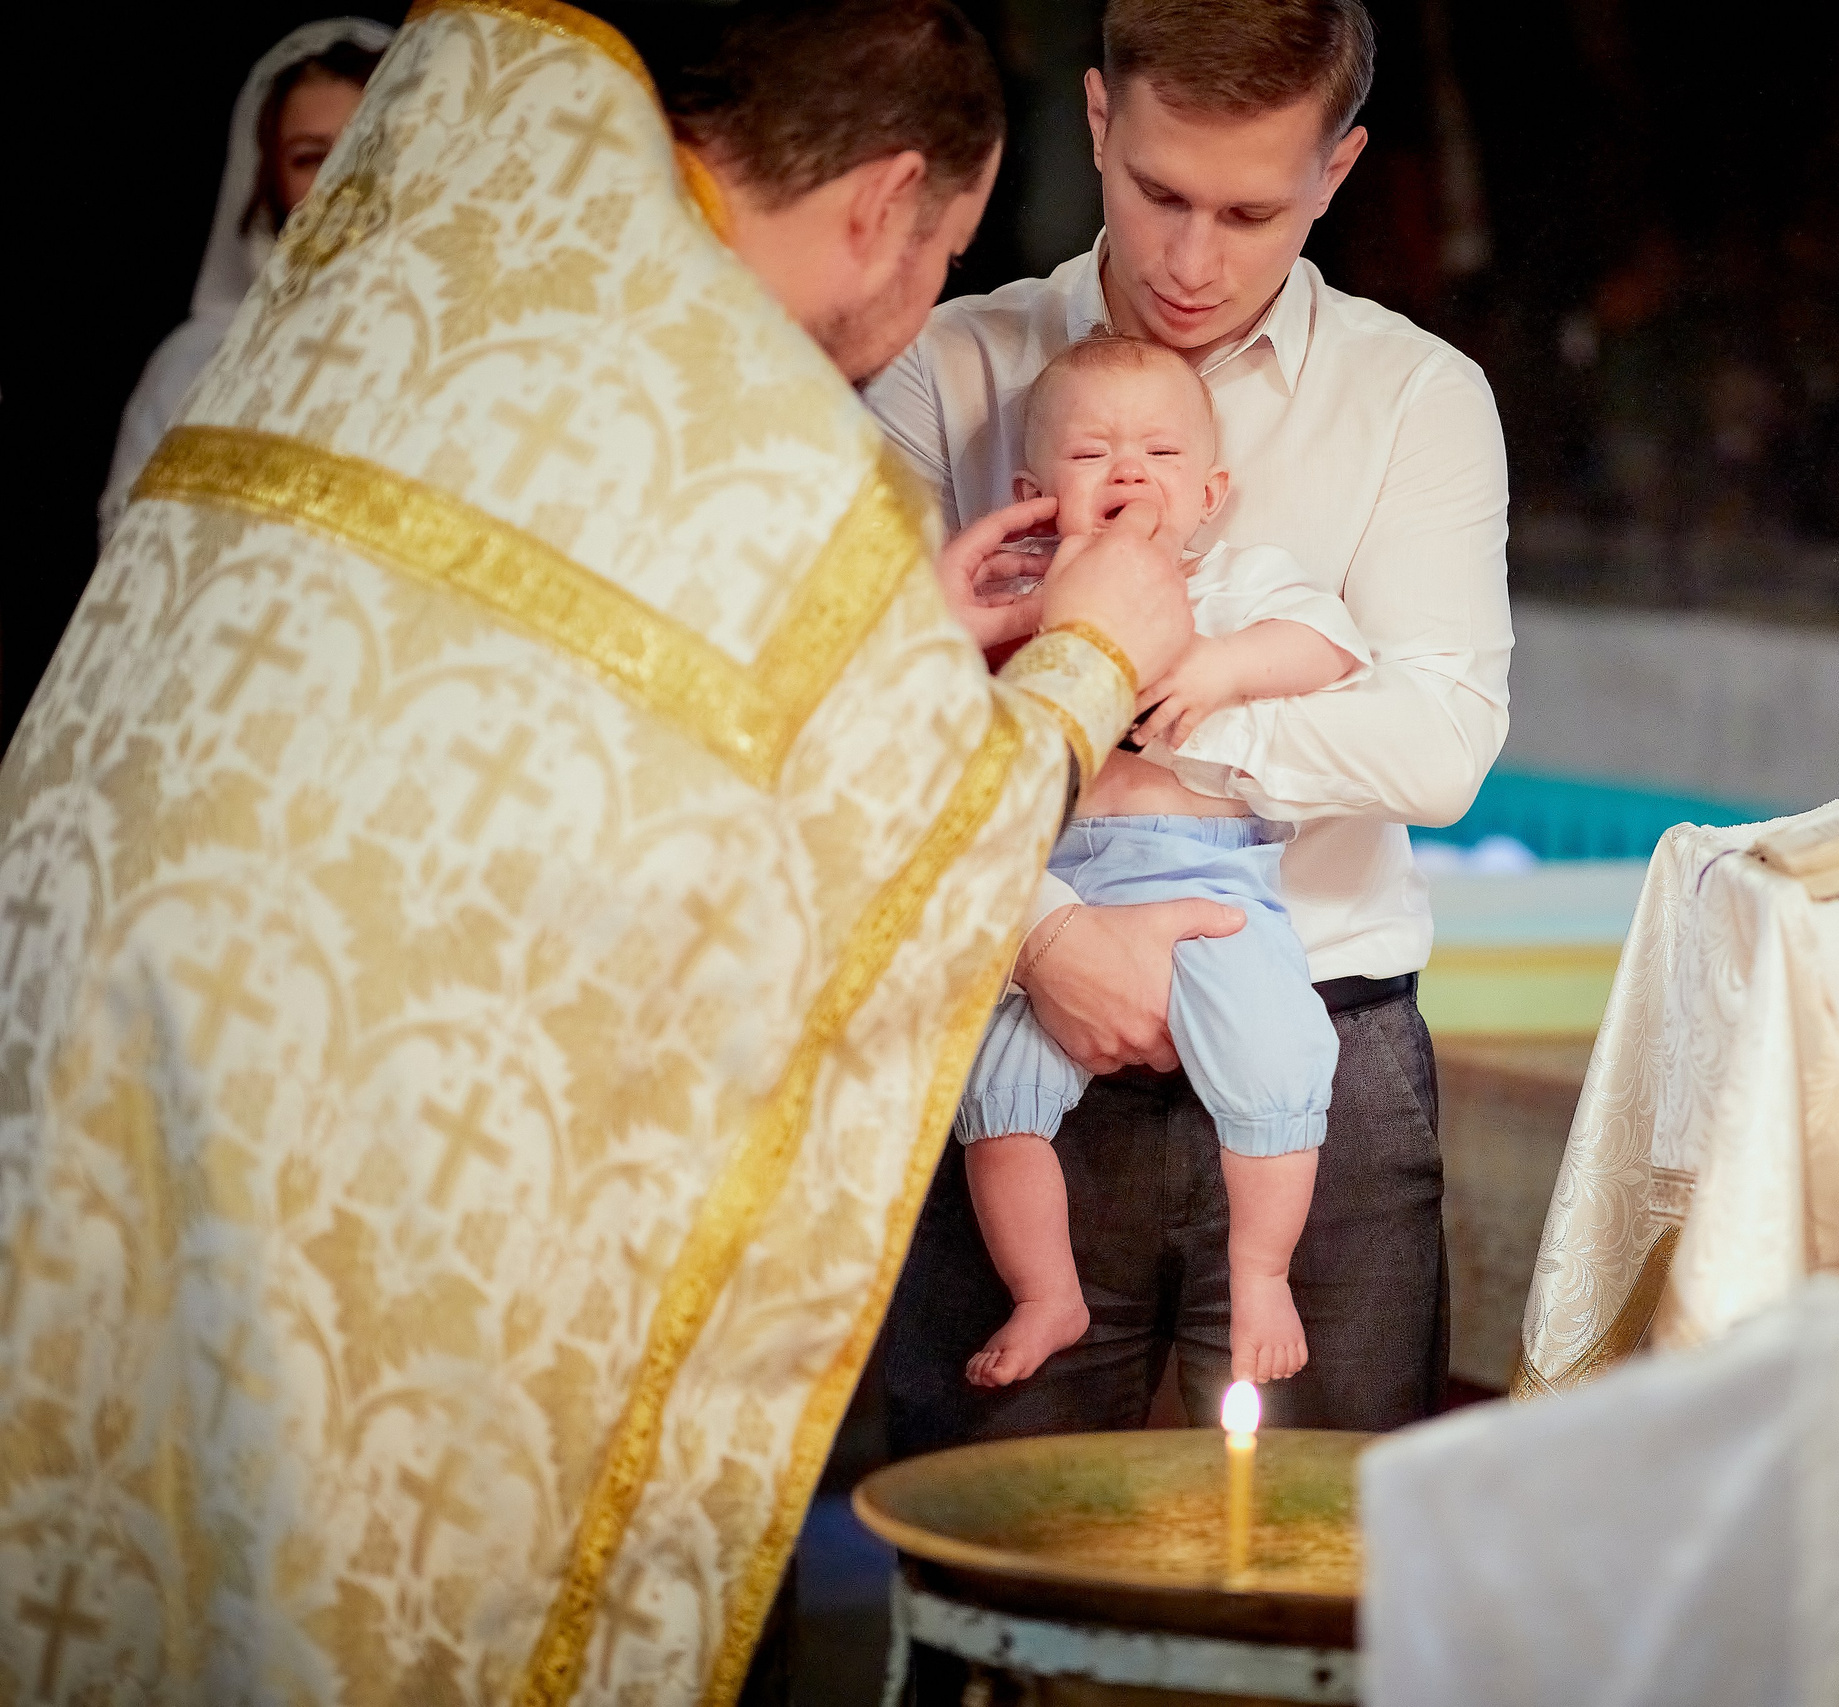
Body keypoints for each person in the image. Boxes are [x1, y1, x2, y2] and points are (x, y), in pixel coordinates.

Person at [0, 0, 1196, 1700]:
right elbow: (880, 884)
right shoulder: (778, 456)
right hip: (369, 1191)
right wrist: (1093, 664)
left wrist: (894, 640)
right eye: (939, 253)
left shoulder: (398, 307)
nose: (922, 301)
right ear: (886, 201)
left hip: (104, 1094)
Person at [870, 0, 1514, 1449]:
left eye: (1250, 209)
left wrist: (1152, 703)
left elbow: (1443, 742)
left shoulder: (1415, 399)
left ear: (1337, 170)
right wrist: (1043, 931)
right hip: (1008, 1020)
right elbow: (867, 726)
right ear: (1098, 120)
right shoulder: (947, 367)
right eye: (1159, 192)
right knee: (986, 1570)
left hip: (1326, 1045)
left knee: (1328, 1575)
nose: (1189, 260)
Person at [954, 333, 1368, 1390]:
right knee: (991, 1099)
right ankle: (1047, 1293)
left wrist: (1221, 664)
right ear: (1034, 491)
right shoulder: (1010, 597)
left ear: (1211, 492)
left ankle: (1261, 1270)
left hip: (1210, 878)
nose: (1130, 473)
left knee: (1276, 1061)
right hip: (1059, 893)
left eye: (1161, 455)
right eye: (1092, 454)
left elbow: (1331, 647)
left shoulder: (1232, 585)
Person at [96, 19, 392, 547]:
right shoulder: (197, 362)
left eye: (362, 146)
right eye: (309, 157)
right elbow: (132, 559)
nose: (338, 180)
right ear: (270, 181)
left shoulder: (463, 345)